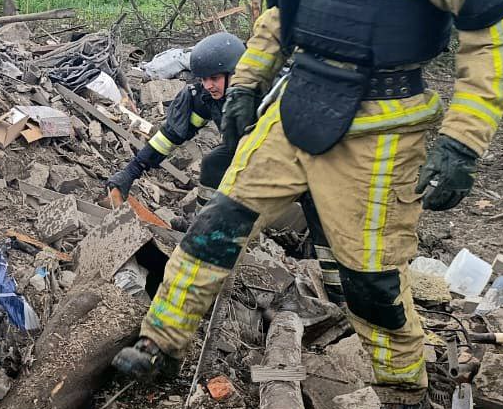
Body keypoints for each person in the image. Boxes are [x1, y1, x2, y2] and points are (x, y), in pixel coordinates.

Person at [113, 0, 503, 409]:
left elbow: (489, 49)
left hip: (386, 126)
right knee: (218, 222)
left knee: (370, 280)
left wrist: (462, 143)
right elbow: (276, 20)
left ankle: (402, 392)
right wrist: (246, 85)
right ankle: (160, 341)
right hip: (299, 100)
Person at [106, 32, 346, 305]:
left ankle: (339, 291)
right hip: (249, 154)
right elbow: (169, 137)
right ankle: (202, 229)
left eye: (215, 78)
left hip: (303, 162)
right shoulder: (205, 97)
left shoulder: (276, 89)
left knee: (322, 216)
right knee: (213, 164)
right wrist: (132, 171)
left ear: (236, 72)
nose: (208, 85)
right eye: (203, 78)